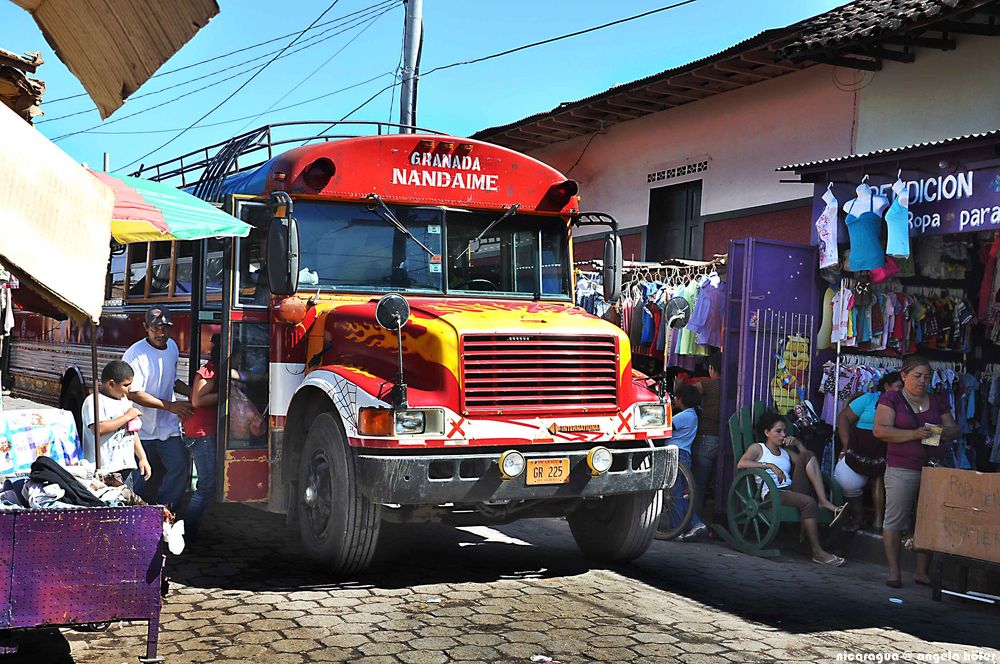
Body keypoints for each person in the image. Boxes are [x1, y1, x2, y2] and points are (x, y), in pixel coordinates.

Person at [873, 355, 959, 588]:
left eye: (927, 377)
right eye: (917, 376)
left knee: (928, 519)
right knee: (895, 518)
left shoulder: (937, 400)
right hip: (902, 467)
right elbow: (880, 431)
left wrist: (935, 433)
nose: (923, 381)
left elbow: (954, 430)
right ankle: (893, 571)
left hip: (932, 468)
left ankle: (922, 571)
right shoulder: (891, 398)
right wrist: (913, 434)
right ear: (904, 376)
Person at [737, 412, 846, 566]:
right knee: (808, 502)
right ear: (767, 432)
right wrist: (769, 466)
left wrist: (798, 444)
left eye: (784, 431)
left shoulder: (785, 452)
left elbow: (808, 461)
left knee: (807, 454)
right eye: (778, 431)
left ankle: (823, 500)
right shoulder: (758, 448)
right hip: (773, 494)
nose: (783, 435)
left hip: (791, 490)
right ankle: (817, 552)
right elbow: (742, 463)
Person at [123, 307, 193, 510]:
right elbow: (133, 392)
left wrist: (192, 392)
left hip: (166, 427)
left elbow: (172, 379)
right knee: (140, 477)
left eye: (165, 328)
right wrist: (170, 406)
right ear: (146, 328)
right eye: (156, 328)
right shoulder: (135, 354)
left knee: (179, 466)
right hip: (142, 427)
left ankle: (164, 511)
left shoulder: (172, 346)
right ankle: (135, 512)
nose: (161, 333)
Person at [834, 371, 903, 532]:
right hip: (859, 449)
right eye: (898, 387)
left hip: (886, 451)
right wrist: (845, 444)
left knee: (882, 477)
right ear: (886, 386)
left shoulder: (905, 405)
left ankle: (879, 520)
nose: (901, 391)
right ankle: (859, 515)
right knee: (845, 479)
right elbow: (844, 418)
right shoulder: (869, 399)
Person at [80, 360, 152, 490]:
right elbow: (98, 428)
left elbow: (132, 432)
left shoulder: (124, 400)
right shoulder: (94, 402)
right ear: (111, 384)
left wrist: (142, 457)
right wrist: (126, 417)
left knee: (125, 504)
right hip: (104, 470)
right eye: (126, 385)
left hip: (125, 467)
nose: (129, 389)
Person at [677, 351, 722, 541]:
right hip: (722, 439)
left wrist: (679, 385)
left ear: (711, 369)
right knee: (714, 484)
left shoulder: (708, 384)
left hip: (705, 439)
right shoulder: (732, 386)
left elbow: (688, 394)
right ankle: (701, 522)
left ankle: (693, 523)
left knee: (696, 485)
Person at [182, 334, 223, 542]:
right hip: (202, 434)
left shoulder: (214, 368)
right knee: (206, 485)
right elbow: (197, 400)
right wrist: (226, 394)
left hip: (201, 432)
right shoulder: (211, 370)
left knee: (206, 484)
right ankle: (188, 532)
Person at [668, 384, 704, 537]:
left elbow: (666, 425)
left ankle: (678, 531)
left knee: (674, 495)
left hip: (676, 455)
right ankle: (694, 523)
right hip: (685, 456)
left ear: (681, 399)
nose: (674, 400)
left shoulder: (684, 416)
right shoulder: (693, 415)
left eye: (675, 398)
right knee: (681, 495)